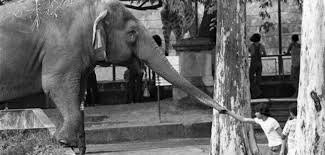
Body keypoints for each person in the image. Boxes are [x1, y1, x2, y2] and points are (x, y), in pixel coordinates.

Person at [248, 33, 266, 98]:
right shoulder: (262, 46)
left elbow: (248, 52)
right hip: (259, 64)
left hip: (253, 64)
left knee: (250, 78)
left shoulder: (251, 46)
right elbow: (265, 54)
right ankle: (258, 93)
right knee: (258, 79)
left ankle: (256, 93)